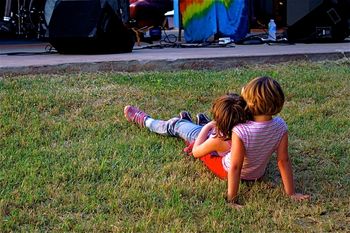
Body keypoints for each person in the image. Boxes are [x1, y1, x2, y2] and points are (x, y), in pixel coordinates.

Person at [225, 76, 310, 208]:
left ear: (251, 103)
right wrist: (291, 193)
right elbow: (283, 160)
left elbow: (235, 167)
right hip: (258, 174)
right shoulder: (281, 126)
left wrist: (232, 200)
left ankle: (181, 123)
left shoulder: (240, 130)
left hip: (226, 169)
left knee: (211, 139)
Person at [124, 93, 248, 179]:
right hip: (219, 135)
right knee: (189, 127)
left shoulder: (219, 140)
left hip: (204, 137)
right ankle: (191, 123)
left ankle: (145, 120)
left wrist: (208, 126)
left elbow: (196, 151)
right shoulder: (249, 129)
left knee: (175, 125)